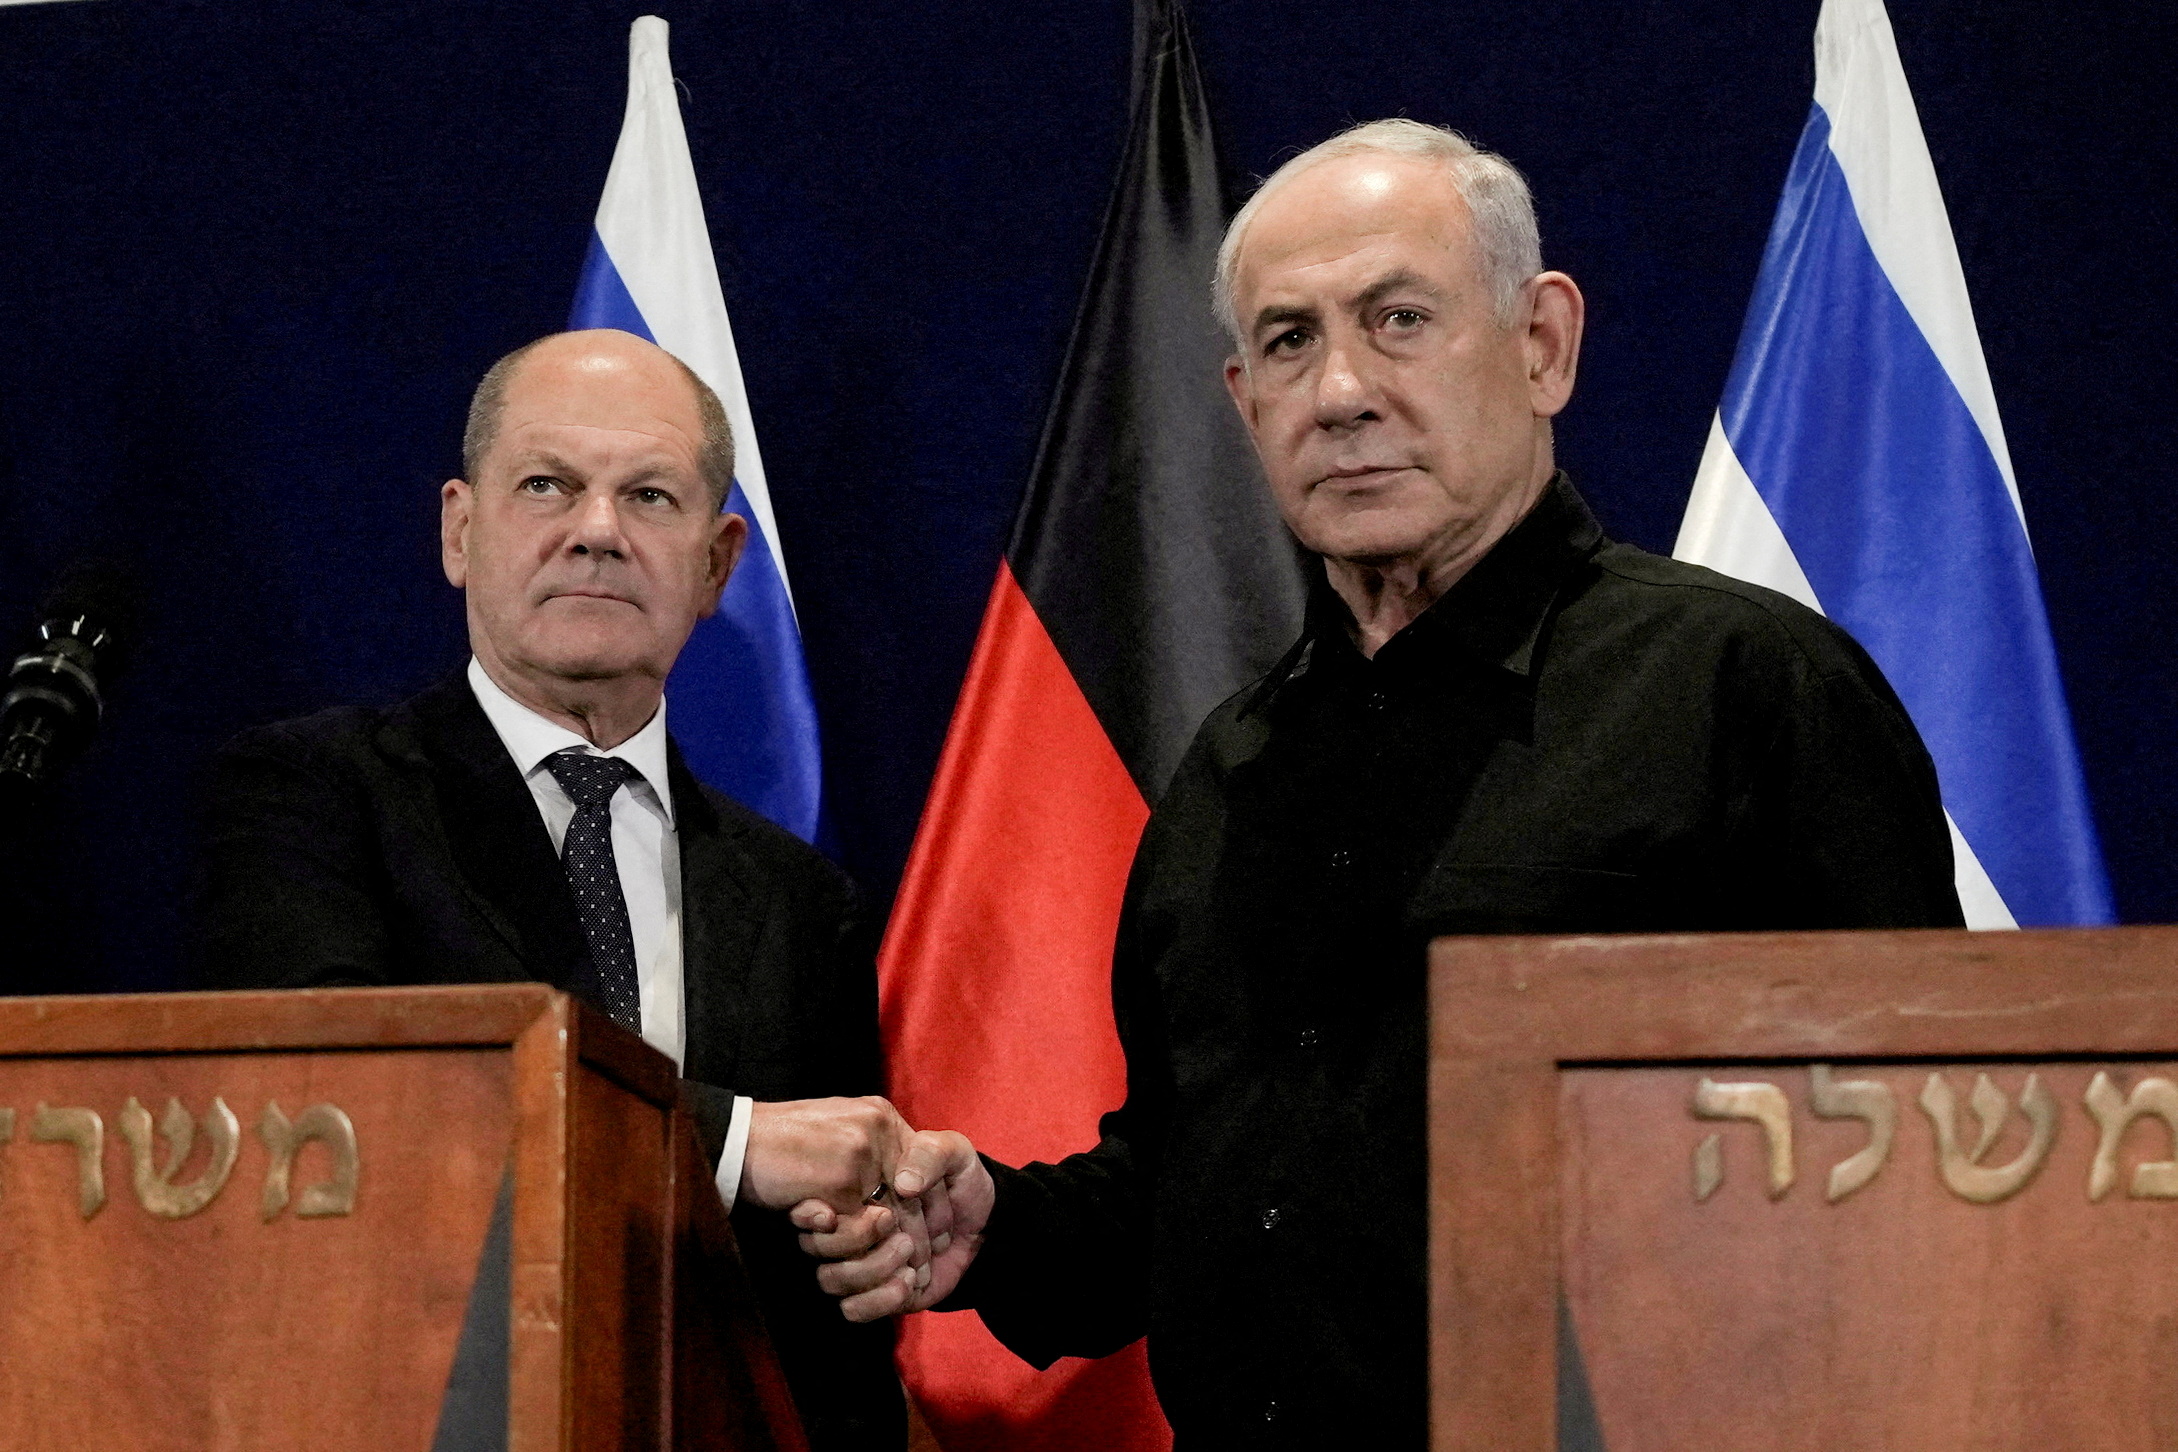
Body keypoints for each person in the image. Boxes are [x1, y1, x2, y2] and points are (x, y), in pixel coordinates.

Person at [797, 120, 1966, 1443]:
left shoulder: (1748, 690)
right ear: (1244, 402)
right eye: (1289, 342)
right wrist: (997, 1227)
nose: (1340, 390)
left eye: (1398, 319)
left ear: (1542, 345)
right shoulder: (1225, 776)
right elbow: (1190, 1195)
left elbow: (1916, 1168)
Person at [197, 329, 914, 1449]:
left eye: (650, 497)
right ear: (460, 530)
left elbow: (832, 1317)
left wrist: (873, 1238)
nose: (597, 531)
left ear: (718, 564)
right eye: (547, 485)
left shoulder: (800, 900)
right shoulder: (313, 797)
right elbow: (337, 1102)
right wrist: (729, 1144)